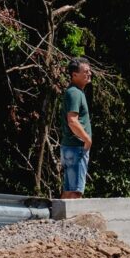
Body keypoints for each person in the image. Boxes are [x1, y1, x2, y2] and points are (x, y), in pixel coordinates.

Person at [58, 59, 94, 198]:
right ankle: (71, 220)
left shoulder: (76, 92)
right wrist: (87, 139)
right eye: (85, 71)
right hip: (76, 147)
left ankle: (58, 219)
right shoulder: (75, 93)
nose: (89, 73)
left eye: (89, 71)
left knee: (69, 189)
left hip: (72, 147)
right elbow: (72, 121)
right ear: (74, 75)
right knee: (75, 191)